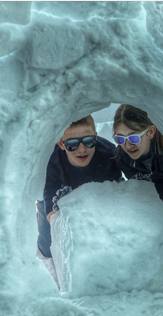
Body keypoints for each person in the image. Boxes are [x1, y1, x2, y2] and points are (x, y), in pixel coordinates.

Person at [111, 104, 163, 285]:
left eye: (133, 137)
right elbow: (136, 189)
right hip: (153, 195)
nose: (128, 145)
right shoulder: (122, 156)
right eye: (120, 138)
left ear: (150, 132)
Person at [36, 115, 122, 288]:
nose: (81, 149)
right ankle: (52, 276)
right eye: (72, 144)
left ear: (96, 137)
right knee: (48, 241)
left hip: (93, 199)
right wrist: (54, 219)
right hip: (60, 199)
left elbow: (119, 187)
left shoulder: (109, 153)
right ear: (61, 144)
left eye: (88, 141)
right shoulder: (53, 158)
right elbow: (49, 190)